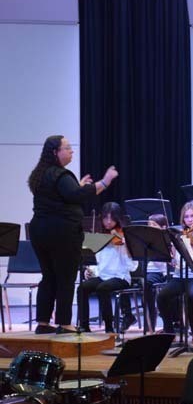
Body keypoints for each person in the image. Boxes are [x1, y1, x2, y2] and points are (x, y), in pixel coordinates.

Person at [28, 135, 117, 334]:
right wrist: (105, 181)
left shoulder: (42, 174)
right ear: (55, 152)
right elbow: (77, 195)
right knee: (65, 277)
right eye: (67, 148)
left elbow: (67, 195)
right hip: (61, 232)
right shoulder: (60, 174)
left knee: (49, 276)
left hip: (39, 231)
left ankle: (43, 323)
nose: (71, 151)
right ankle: (65, 323)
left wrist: (78, 186)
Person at [77, 202, 138, 333]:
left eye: (112, 218)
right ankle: (84, 326)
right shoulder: (99, 237)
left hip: (120, 277)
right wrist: (91, 270)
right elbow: (99, 261)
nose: (108, 222)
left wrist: (124, 247)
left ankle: (109, 326)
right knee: (82, 288)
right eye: (105, 218)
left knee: (102, 288)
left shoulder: (124, 237)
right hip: (103, 275)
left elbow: (132, 266)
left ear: (118, 218)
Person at [156, 201, 193, 341]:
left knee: (191, 296)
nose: (190, 219)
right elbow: (174, 258)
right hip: (179, 276)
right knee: (162, 296)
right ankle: (169, 329)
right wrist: (171, 257)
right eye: (186, 217)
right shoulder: (178, 234)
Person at [142, 214, 170, 332]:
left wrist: (153, 251)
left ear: (163, 227)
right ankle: (148, 324)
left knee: (147, 283)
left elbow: (163, 264)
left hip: (159, 272)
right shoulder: (146, 240)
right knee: (142, 281)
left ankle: (153, 323)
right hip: (146, 271)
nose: (150, 228)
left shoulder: (165, 239)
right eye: (149, 225)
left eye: (154, 225)